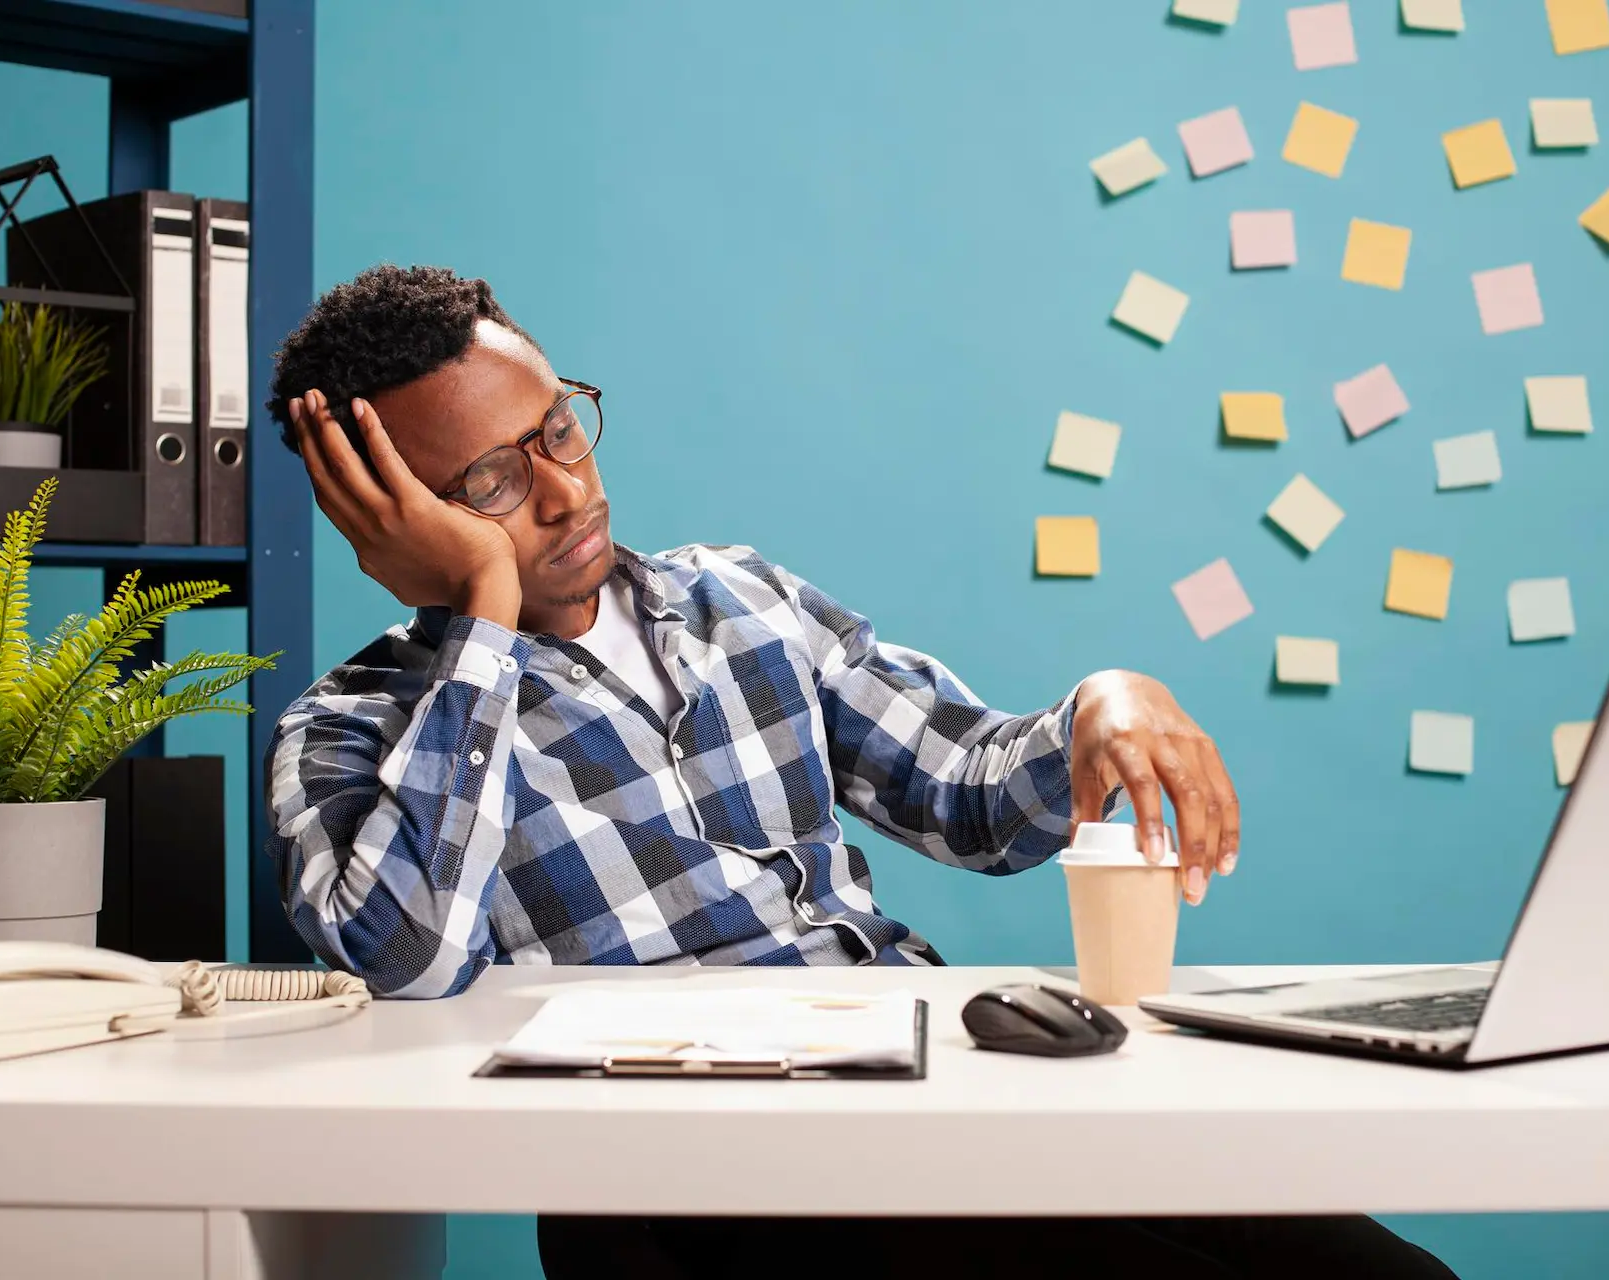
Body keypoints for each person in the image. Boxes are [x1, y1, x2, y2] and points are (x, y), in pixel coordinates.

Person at [263, 264, 1456, 1280]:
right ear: (388, 513)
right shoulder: (350, 732)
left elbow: (969, 795)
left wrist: (1104, 701)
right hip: (692, 1185)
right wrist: (484, 606)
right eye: (491, 486)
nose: (567, 492)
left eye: (558, 432)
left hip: (928, 1094)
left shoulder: (740, 600)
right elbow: (405, 955)